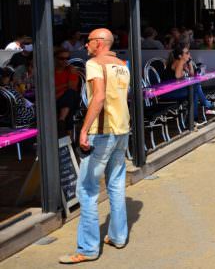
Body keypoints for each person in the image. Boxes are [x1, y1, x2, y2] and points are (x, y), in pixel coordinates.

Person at [59, 29, 130, 264]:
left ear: (98, 43)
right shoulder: (122, 64)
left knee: (87, 191)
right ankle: (119, 236)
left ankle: (88, 249)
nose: (86, 44)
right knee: (116, 185)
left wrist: (83, 129)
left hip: (102, 133)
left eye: (88, 41)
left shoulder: (94, 64)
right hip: (122, 130)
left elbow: (98, 97)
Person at [161, 45, 215, 121]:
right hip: (167, 93)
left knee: (194, 91)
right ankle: (208, 107)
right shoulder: (178, 62)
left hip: (176, 90)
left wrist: (190, 63)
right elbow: (177, 76)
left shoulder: (182, 63)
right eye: (187, 53)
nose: (189, 54)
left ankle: (194, 119)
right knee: (195, 87)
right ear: (180, 56)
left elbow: (191, 75)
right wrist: (183, 62)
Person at [54, 48, 81, 134]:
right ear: (55, 59)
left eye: (67, 58)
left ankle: (61, 120)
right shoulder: (50, 71)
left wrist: (59, 89)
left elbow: (72, 87)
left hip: (66, 97)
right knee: (69, 107)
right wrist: (65, 86)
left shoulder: (71, 70)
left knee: (70, 94)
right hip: (56, 100)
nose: (65, 61)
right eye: (62, 58)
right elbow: (49, 90)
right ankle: (69, 140)